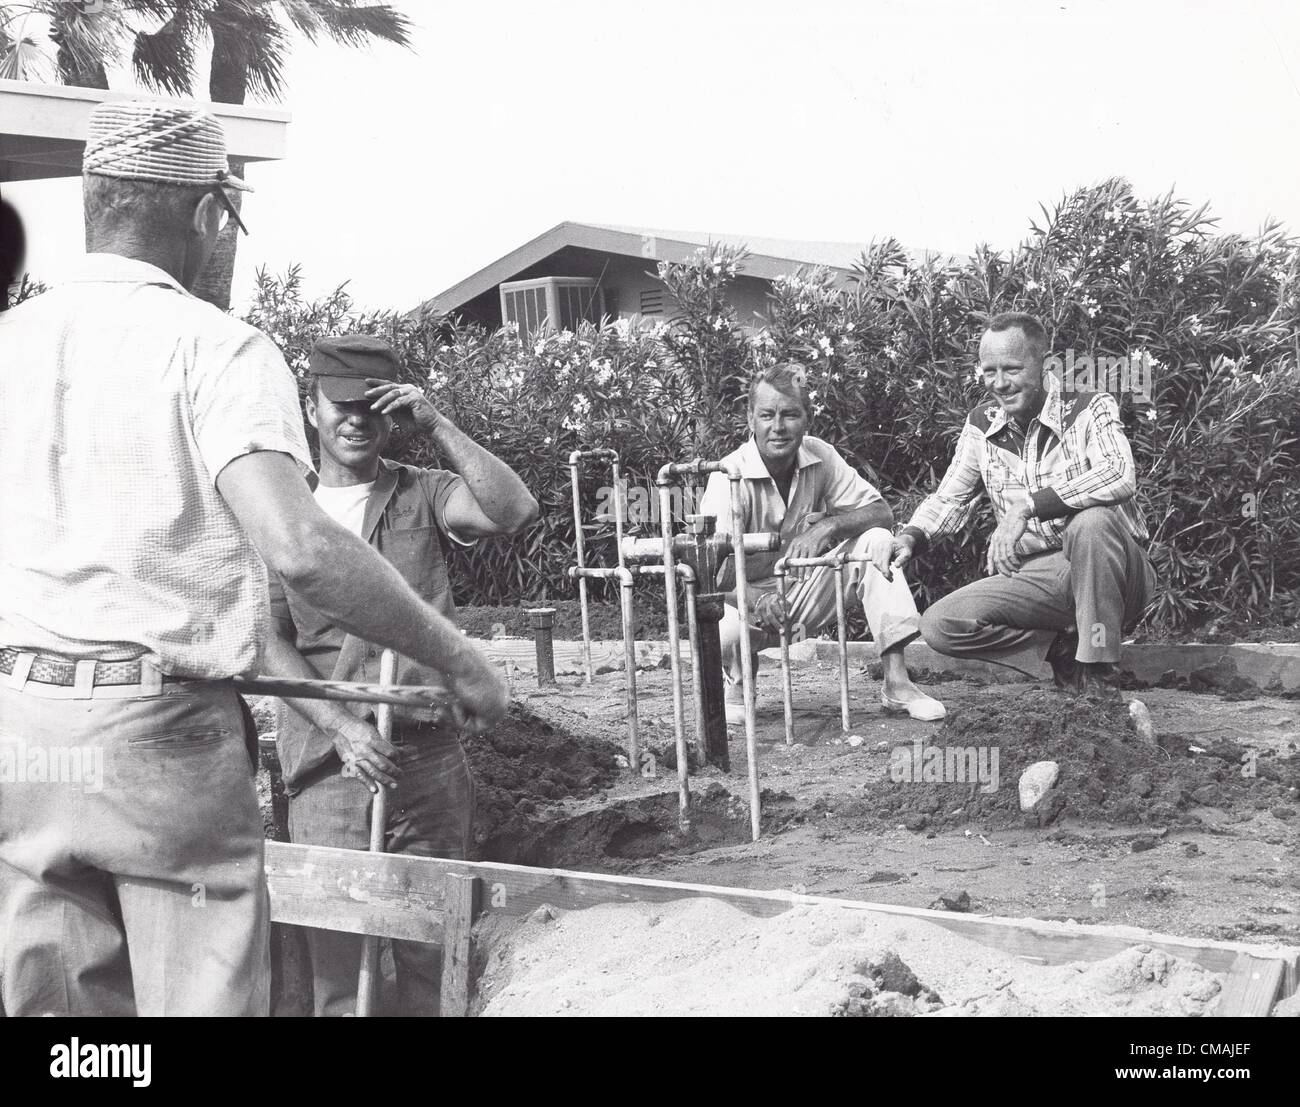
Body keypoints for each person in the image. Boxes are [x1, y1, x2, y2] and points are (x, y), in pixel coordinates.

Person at [0, 100, 507, 1018]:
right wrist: (460, 657)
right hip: (158, 734)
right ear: (204, 216)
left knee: (67, 1027)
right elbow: (302, 549)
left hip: (23, 736)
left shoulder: (12, 343)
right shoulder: (214, 346)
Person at [265, 334, 538, 1017]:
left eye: (372, 407)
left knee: (435, 957)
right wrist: (340, 726)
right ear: (311, 405)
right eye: (340, 405)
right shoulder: (280, 512)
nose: (355, 420)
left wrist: (438, 424)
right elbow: (266, 640)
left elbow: (514, 510)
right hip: (330, 763)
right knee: (338, 967)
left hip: (428, 762)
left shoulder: (421, 494)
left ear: (391, 414)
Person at [892, 311, 1155, 692]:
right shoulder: (982, 424)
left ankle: (1098, 671)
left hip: (1112, 571)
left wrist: (1027, 506)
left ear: (1046, 365)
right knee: (942, 624)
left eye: (1012, 369)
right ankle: (1062, 653)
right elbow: (949, 497)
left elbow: (1119, 474)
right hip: (1043, 579)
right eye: (989, 371)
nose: (1000, 383)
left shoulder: (1088, 407)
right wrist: (911, 537)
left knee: (1092, 521)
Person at [698, 363, 944, 724]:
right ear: (750, 418)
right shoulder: (729, 477)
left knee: (876, 541)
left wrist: (828, 526)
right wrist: (756, 599)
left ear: (807, 418)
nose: (778, 427)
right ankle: (737, 683)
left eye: (790, 415)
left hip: (803, 593)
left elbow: (882, 513)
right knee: (723, 624)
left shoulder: (821, 455)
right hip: (746, 603)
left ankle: (897, 683)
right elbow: (711, 575)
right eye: (767, 415)